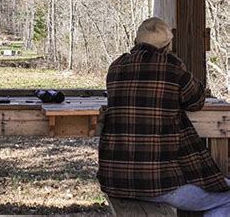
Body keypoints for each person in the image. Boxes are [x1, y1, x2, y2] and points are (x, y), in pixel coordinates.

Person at [98, 17, 230, 216]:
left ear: (136, 41)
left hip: (115, 180)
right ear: (168, 46)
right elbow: (196, 101)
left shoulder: (116, 66)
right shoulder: (172, 66)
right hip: (158, 184)